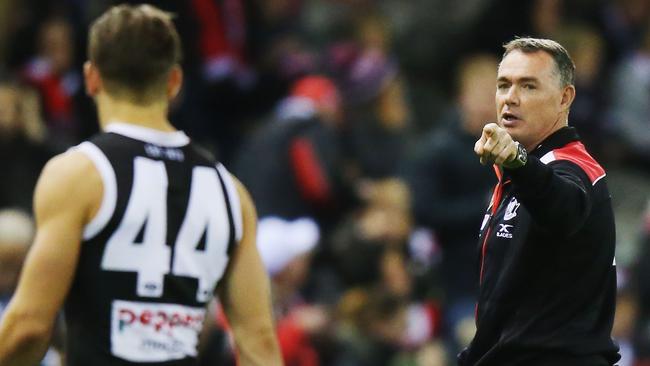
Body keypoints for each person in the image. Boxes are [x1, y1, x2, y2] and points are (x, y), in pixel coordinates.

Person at [0, 4, 282, 366]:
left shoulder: (80, 174)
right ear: (175, 82)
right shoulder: (231, 192)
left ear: (91, 78)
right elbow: (258, 342)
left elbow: (29, 327)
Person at [460, 37, 620, 365]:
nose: (510, 98)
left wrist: (519, 162)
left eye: (529, 86)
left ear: (565, 98)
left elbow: (563, 209)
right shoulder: (518, 175)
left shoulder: (575, 168)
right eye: (504, 85)